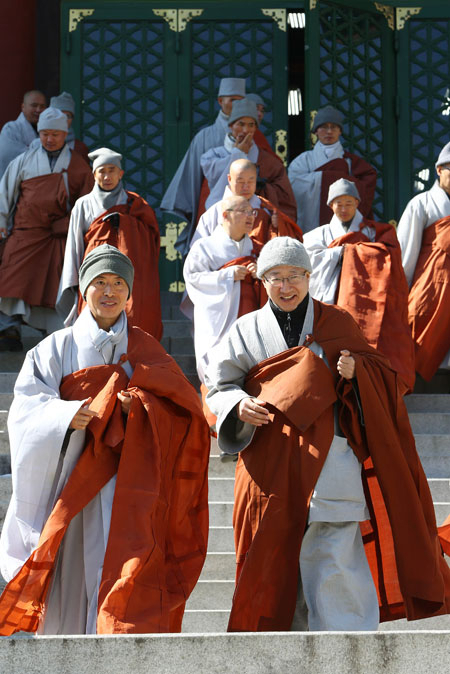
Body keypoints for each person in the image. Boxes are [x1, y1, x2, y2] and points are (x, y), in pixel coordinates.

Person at [204, 236, 450, 632]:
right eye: (275, 278)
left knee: (336, 556)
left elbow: (383, 378)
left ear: (309, 275)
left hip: (330, 460)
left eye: (294, 276)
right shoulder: (245, 329)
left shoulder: (336, 322)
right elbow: (217, 387)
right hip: (270, 461)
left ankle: (347, 646)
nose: (286, 287)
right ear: (262, 282)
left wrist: (358, 375)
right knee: (276, 560)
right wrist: (235, 405)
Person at [0, 244, 210, 636]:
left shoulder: (146, 350)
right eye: (100, 282)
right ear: (84, 290)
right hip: (69, 481)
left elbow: (185, 412)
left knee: (118, 572)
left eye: (118, 284)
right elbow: (25, 410)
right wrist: (64, 416)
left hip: (125, 484)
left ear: (130, 295)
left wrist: (142, 410)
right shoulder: (54, 349)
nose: (109, 291)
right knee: (68, 575)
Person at [303, 178, 415, 392]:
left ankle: (376, 385)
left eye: (348, 203)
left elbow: (390, 258)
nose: (344, 209)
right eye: (338, 203)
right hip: (334, 299)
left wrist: (353, 252)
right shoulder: (318, 235)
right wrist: (341, 252)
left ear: (357, 203)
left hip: (371, 301)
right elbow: (310, 261)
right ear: (330, 205)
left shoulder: (375, 233)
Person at [0, 107, 94, 350]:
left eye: (55, 134)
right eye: (45, 134)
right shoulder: (24, 160)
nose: (50, 139)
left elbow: (88, 203)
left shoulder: (77, 164)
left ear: (65, 134)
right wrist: (2, 223)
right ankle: (9, 329)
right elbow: (6, 194)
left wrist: (72, 224)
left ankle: (52, 335)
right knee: (11, 280)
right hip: (25, 233)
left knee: (54, 289)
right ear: (38, 134)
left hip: (58, 238)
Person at [57, 147, 162, 340]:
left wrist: (126, 223)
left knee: (135, 319)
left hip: (128, 276)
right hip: (93, 274)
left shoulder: (135, 204)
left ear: (120, 173)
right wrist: (74, 281)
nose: (107, 176)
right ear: (93, 174)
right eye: (101, 171)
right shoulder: (83, 204)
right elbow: (75, 246)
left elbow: (152, 240)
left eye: (111, 170)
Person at [184, 195, 263, 387]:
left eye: (252, 212)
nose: (250, 216)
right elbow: (193, 278)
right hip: (218, 320)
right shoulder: (204, 247)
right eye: (243, 211)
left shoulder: (257, 249)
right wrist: (226, 276)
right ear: (225, 215)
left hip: (250, 315)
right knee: (218, 369)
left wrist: (259, 273)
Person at [160, 77, 246, 254]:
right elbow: (191, 176)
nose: (236, 105)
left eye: (240, 101)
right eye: (232, 100)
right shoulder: (205, 137)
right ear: (220, 101)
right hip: (209, 203)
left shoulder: (251, 134)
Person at [397, 141, 450, 381]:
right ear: (439, 170)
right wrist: (401, 294)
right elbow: (406, 255)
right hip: (431, 286)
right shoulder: (421, 204)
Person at [201, 98, 297, 221]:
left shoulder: (269, 161)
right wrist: (238, 154)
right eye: (241, 124)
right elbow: (214, 181)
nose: (246, 130)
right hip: (222, 219)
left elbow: (285, 197)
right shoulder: (212, 156)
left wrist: (262, 188)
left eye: (251, 125)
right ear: (231, 126)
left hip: (257, 221)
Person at [288, 105, 377, 232]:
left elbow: (365, 187)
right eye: (324, 127)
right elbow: (293, 189)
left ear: (340, 131)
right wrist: (335, 177)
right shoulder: (303, 161)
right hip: (311, 226)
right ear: (316, 131)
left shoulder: (350, 162)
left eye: (333, 127)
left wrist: (323, 178)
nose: (329, 131)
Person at [192, 158, 302, 247]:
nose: (246, 187)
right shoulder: (214, 213)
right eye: (240, 181)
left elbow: (285, 247)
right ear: (229, 179)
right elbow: (197, 253)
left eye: (250, 181)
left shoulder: (266, 208)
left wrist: (278, 226)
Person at [31, 92, 90, 163]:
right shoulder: (36, 145)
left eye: (68, 116)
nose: (64, 119)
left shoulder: (79, 147)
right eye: (60, 114)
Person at [0, 90, 47, 177]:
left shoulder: (48, 131)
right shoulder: (10, 129)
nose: (38, 110)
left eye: (42, 106)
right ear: (23, 107)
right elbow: (8, 156)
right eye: (34, 105)